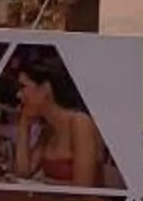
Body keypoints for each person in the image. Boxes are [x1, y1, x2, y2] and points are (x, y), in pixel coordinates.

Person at [11, 55, 108, 187]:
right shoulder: (48, 130)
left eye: (23, 87)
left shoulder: (80, 122)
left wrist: (44, 183)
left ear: (45, 88)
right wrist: (23, 125)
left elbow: (83, 186)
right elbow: (23, 172)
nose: (18, 95)